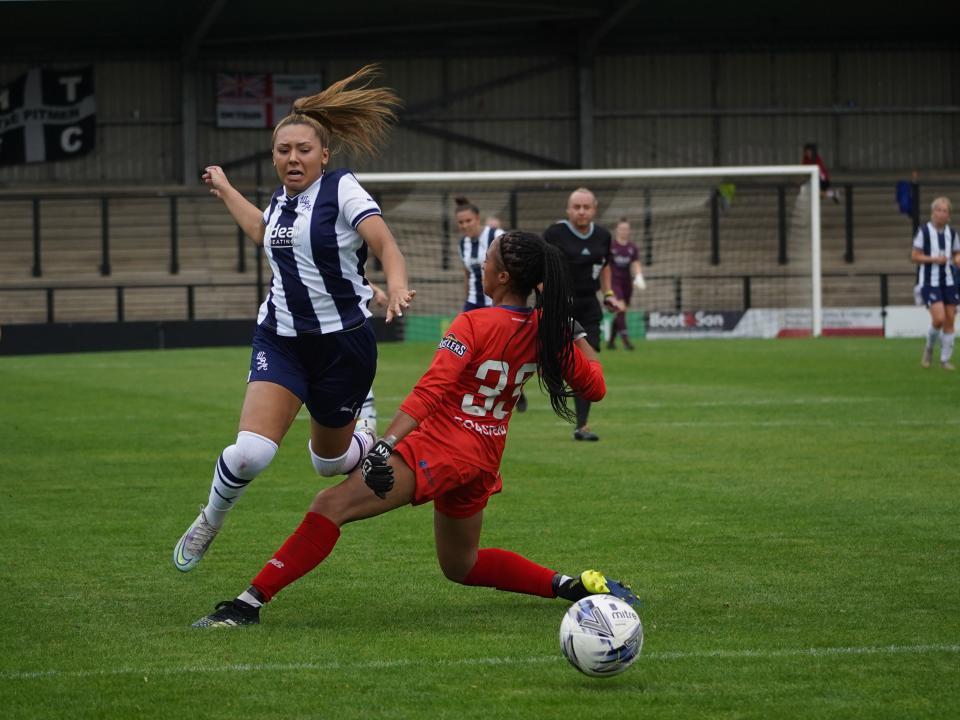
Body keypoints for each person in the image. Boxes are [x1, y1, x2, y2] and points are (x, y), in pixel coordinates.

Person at [189, 230, 640, 628]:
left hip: (441, 449)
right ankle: (569, 586)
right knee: (460, 566)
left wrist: (383, 446)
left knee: (329, 506)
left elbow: (431, 391)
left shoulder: (473, 322)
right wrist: (572, 331)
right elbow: (594, 386)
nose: (482, 265)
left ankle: (246, 605)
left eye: (488, 261)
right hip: (482, 459)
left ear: (502, 277)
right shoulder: (546, 331)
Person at [172, 65, 416, 572]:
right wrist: (224, 187)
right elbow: (263, 233)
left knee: (328, 464)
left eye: (303, 149)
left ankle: (365, 435)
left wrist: (394, 284)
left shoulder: (342, 189)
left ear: (323, 155)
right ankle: (209, 521)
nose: (292, 158)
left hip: (343, 346)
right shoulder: (282, 203)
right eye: (283, 151)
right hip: (281, 339)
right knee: (249, 455)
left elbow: (383, 242)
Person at [543, 188, 624, 441]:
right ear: (568, 210)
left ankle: (581, 426)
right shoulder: (554, 234)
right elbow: (541, 266)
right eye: (576, 207)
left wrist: (608, 293)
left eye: (586, 207)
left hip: (588, 307)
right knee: (550, 360)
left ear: (594, 209)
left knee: (586, 364)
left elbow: (605, 265)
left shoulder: (602, 236)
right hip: (559, 305)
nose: (581, 211)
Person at [455, 196, 526, 411]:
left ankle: (514, 391)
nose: (465, 226)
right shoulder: (463, 244)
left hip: (497, 305)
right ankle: (469, 393)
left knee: (502, 352)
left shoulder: (496, 236)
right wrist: (466, 299)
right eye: (461, 223)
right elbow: (468, 274)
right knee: (466, 352)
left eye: (468, 220)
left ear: (478, 219)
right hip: (473, 305)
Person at [912, 196, 959, 370]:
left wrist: (958, 259)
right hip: (929, 281)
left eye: (945, 211)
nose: (941, 213)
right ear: (933, 213)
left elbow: (956, 254)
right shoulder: (923, 232)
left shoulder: (952, 234)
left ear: (949, 215)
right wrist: (933, 259)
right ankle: (929, 348)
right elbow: (914, 256)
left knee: (950, 320)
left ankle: (945, 360)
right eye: (938, 210)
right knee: (938, 319)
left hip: (949, 281)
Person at [607, 217, 646, 350]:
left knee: (621, 312)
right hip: (614, 282)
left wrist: (639, 276)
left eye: (626, 229)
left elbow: (636, 263)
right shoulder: (611, 246)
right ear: (617, 230)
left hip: (627, 282)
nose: (624, 231)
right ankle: (626, 342)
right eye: (622, 228)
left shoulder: (632, 248)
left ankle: (611, 342)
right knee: (621, 308)